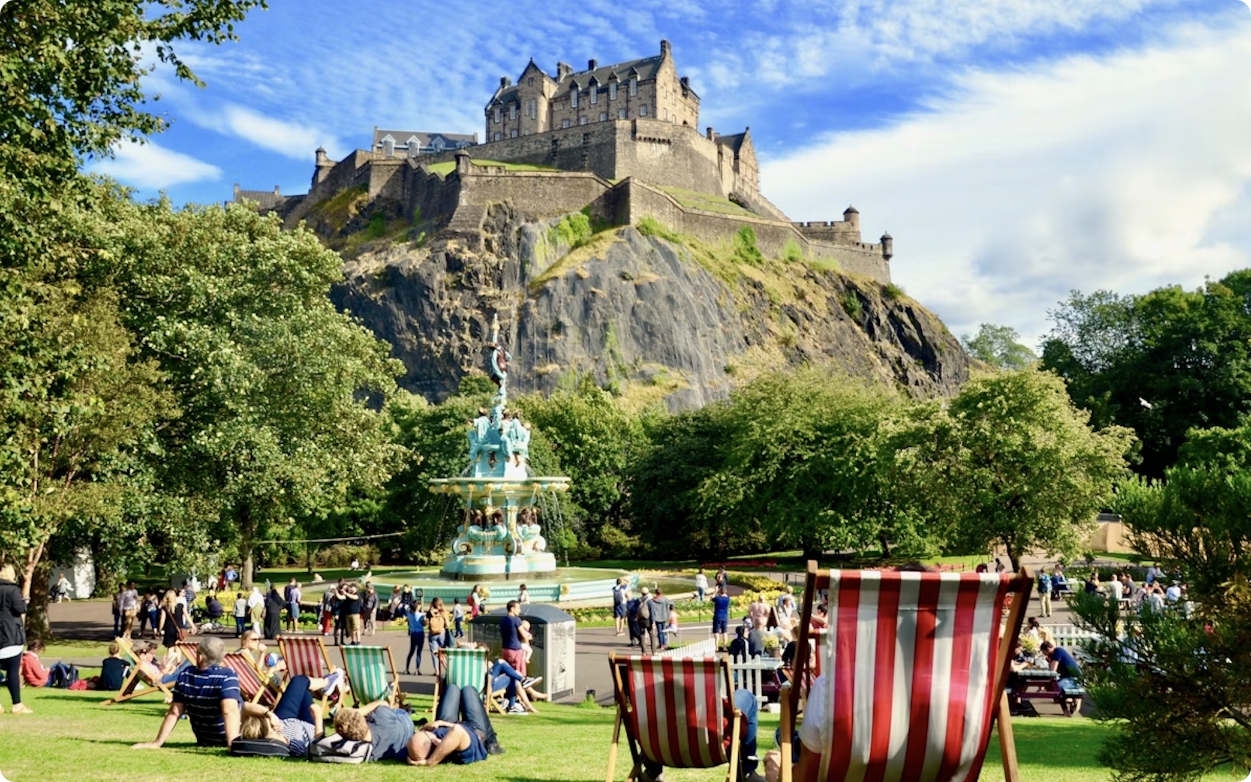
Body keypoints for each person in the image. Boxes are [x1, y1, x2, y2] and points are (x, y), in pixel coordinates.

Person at [133, 636, 242, 749]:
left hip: (205, 738)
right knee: (251, 708)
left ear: (200, 657)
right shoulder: (227, 675)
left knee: (249, 707)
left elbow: (174, 713)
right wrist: (232, 745)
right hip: (231, 737)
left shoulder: (186, 675)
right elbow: (230, 712)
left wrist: (157, 743)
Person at [645, 685, 764, 782]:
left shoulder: (647, 719)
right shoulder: (715, 718)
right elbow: (741, 728)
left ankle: (652, 773)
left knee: (649, 727)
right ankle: (747, 772)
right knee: (746, 696)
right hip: (714, 747)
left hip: (664, 751)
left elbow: (634, 728)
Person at [407, 670, 505, 764]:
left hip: (446, 727)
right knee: (468, 690)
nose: (424, 731)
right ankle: (491, 742)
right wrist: (430, 761)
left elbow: (417, 743)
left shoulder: (416, 747)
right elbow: (457, 730)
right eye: (426, 733)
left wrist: (425, 727)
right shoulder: (455, 749)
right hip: (475, 730)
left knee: (451, 688)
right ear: (435, 742)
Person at [237, 673, 326, 757]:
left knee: (299, 682)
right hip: (311, 725)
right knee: (301, 684)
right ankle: (328, 681)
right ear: (269, 730)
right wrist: (318, 717)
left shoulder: (269, 731)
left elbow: (245, 706)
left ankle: (328, 681)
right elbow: (316, 749)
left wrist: (269, 715)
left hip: (285, 719)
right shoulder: (291, 744)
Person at [332, 699, 415, 763]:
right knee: (394, 710)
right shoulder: (381, 717)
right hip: (405, 721)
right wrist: (361, 710)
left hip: (406, 738)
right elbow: (383, 703)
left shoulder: (370, 754)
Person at [0, 564, 31, 714]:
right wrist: (24, 601)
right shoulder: (13, 589)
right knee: (12, 671)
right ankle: (16, 704)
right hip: (10, 633)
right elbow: (19, 609)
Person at [499, 600, 526, 675]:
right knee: (518, 673)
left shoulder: (503, 620)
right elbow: (524, 634)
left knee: (507, 672)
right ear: (512, 608)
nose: (519, 611)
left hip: (505, 650)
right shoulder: (516, 620)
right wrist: (527, 644)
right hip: (515, 650)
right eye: (518, 608)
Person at [426, 597, 450, 674]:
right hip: (441, 633)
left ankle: (437, 670)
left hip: (432, 634)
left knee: (434, 652)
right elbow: (447, 624)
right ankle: (447, 667)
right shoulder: (443, 612)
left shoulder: (430, 612)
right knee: (444, 651)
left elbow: (426, 622)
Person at [404, 602, 426, 676]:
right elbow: (424, 624)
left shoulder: (409, 614)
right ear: (417, 607)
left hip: (413, 633)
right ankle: (417, 669)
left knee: (411, 651)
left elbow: (406, 607)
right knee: (418, 652)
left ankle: (407, 668)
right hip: (420, 633)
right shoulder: (420, 615)